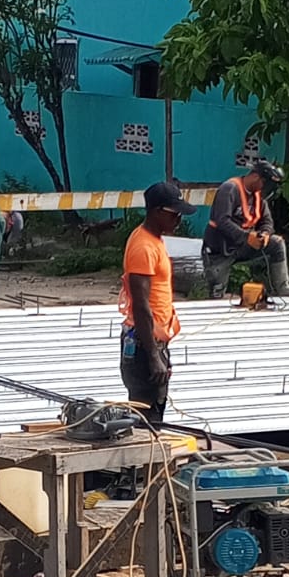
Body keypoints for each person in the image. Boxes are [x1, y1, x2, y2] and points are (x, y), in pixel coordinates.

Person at [120, 180, 194, 425]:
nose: (179, 220)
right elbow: (141, 305)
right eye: (174, 214)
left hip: (152, 340)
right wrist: (153, 356)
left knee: (154, 414)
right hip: (144, 343)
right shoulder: (143, 247)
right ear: (156, 211)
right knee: (145, 418)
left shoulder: (155, 240)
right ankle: (142, 463)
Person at [201, 158, 289, 299]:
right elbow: (222, 220)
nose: (264, 188)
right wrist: (246, 237)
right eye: (264, 183)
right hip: (220, 248)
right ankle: (216, 294)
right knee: (217, 294)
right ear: (255, 176)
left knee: (277, 243)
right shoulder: (229, 189)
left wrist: (265, 233)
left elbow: (267, 221)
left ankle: (283, 286)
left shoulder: (258, 197)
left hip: (243, 245)